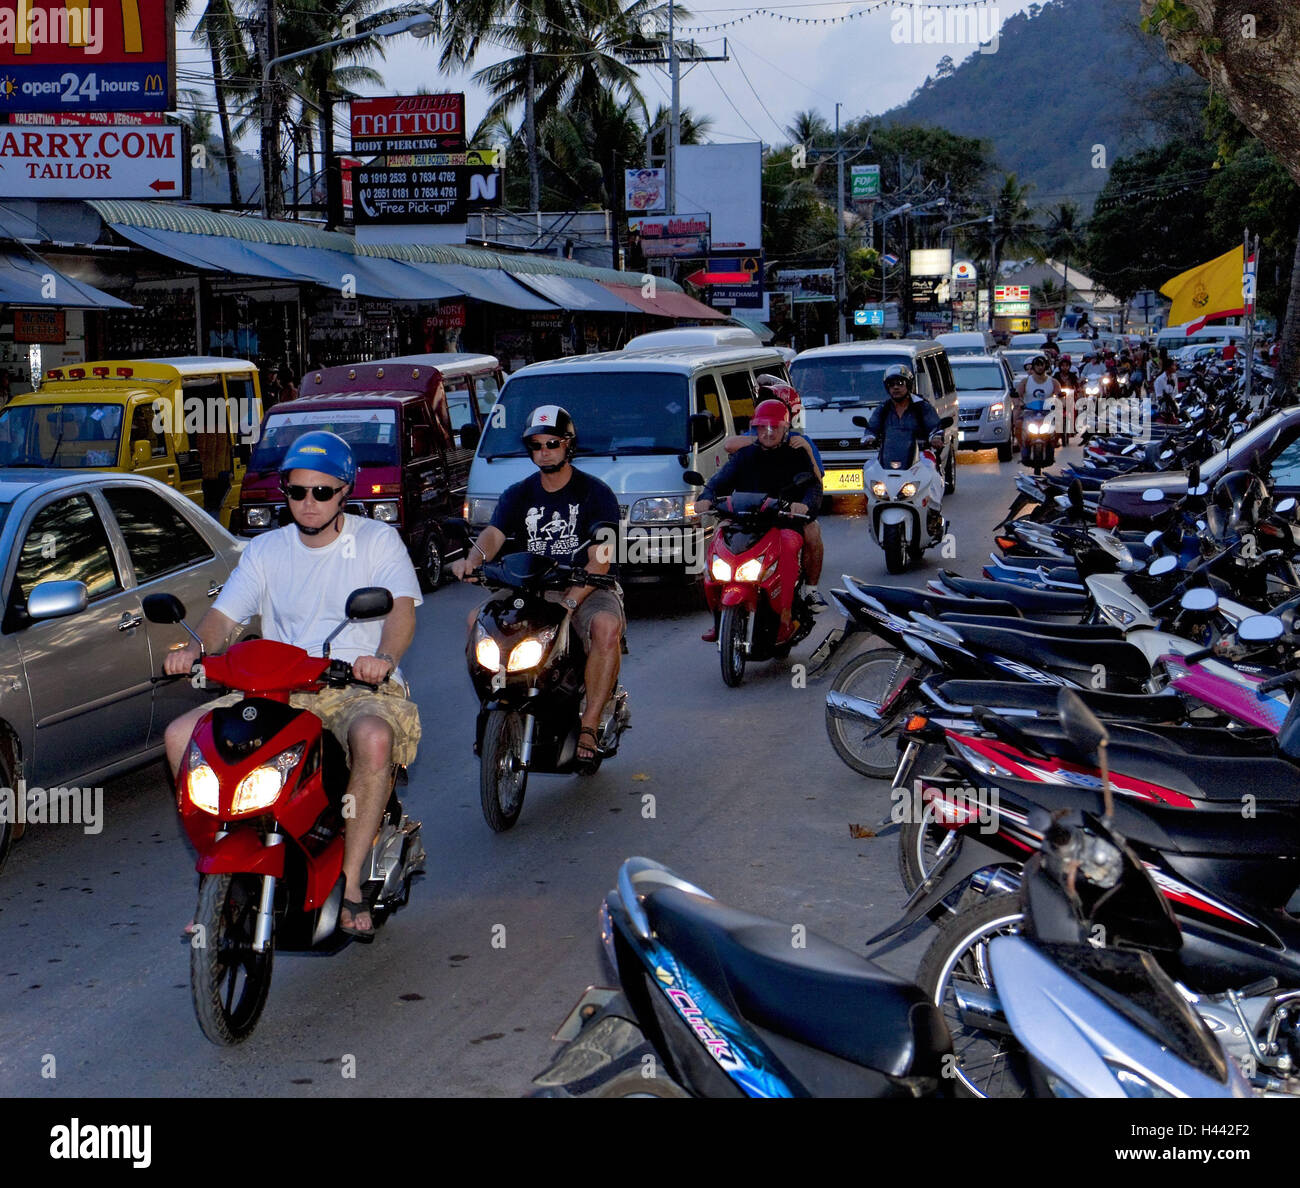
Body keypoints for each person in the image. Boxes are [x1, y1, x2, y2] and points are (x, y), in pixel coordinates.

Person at [163, 431, 422, 942]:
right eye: (296, 491)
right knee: (180, 737)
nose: (307, 503)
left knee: (372, 739)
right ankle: (224, 867)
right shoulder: (265, 550)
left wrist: (383, 660)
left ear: (344, 491)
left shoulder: (376, 542)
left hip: (350, 684)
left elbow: (400, 613)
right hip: (273, 687)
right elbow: (223, 618)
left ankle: (349, 885)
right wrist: (197, 649)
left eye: (321, 492)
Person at [451, 406, 624, 764]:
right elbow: (494, 534)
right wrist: (473, 560)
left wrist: (573, 600)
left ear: (568, 445)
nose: (544, 450)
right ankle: (493, 705)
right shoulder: (518, 493)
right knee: (475, 622)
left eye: (552, 443)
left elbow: (602, 553)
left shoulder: (596, 493)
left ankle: (589, 725)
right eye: (536, 444)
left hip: (585, 585)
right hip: (528, 587)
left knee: (606, 628)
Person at [695, 398, 824, 640]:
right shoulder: (745, 455)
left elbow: (814, 489)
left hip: (783, 521)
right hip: (744, 520)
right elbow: (718, 482)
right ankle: (719, 617)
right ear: (755, 428)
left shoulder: (797, 453)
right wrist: (707, 497)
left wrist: (804, 505)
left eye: (775, 427)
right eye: (762, 427)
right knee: (717, 541)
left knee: (788, 543)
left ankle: (786, 614)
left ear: (786, 428)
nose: (768, 432)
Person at [720, 375, 825, 609]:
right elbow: (729, 445)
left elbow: (817, 480)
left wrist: (805, 449)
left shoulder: (801, 442)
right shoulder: (755, 437)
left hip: (788, 511)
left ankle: (811, 590)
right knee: (720, 536)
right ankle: (721, 609)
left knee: (813, 532)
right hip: (752, 508)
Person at [863, 364, 946, 538]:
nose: (896, 387)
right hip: (890, 455)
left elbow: (935, 427)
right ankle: (873, 511)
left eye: (900, 383)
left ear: (908, 385)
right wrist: (869, 437)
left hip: (920, 453)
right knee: (868, 468)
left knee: (933, 473)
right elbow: (872, 427)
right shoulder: (884, 408)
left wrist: (936, 437)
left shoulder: (922, 406)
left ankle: (934, 514)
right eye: (892, 384)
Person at [1015, 355, 1062, 444]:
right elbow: (1017, 395)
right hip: (1029, 412)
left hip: (1048, 412)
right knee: (1018, 423)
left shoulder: (1053, 382)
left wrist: (1059, 402)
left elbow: (1060, 396)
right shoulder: (1025, 381)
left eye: (1042, 365)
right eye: (1037, 365)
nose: (1040, 367)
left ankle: (1054, 442)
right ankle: (1022, 446)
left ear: (1046, 366)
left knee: (1060, 422)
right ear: (1033, 367)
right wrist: (1019, 403)